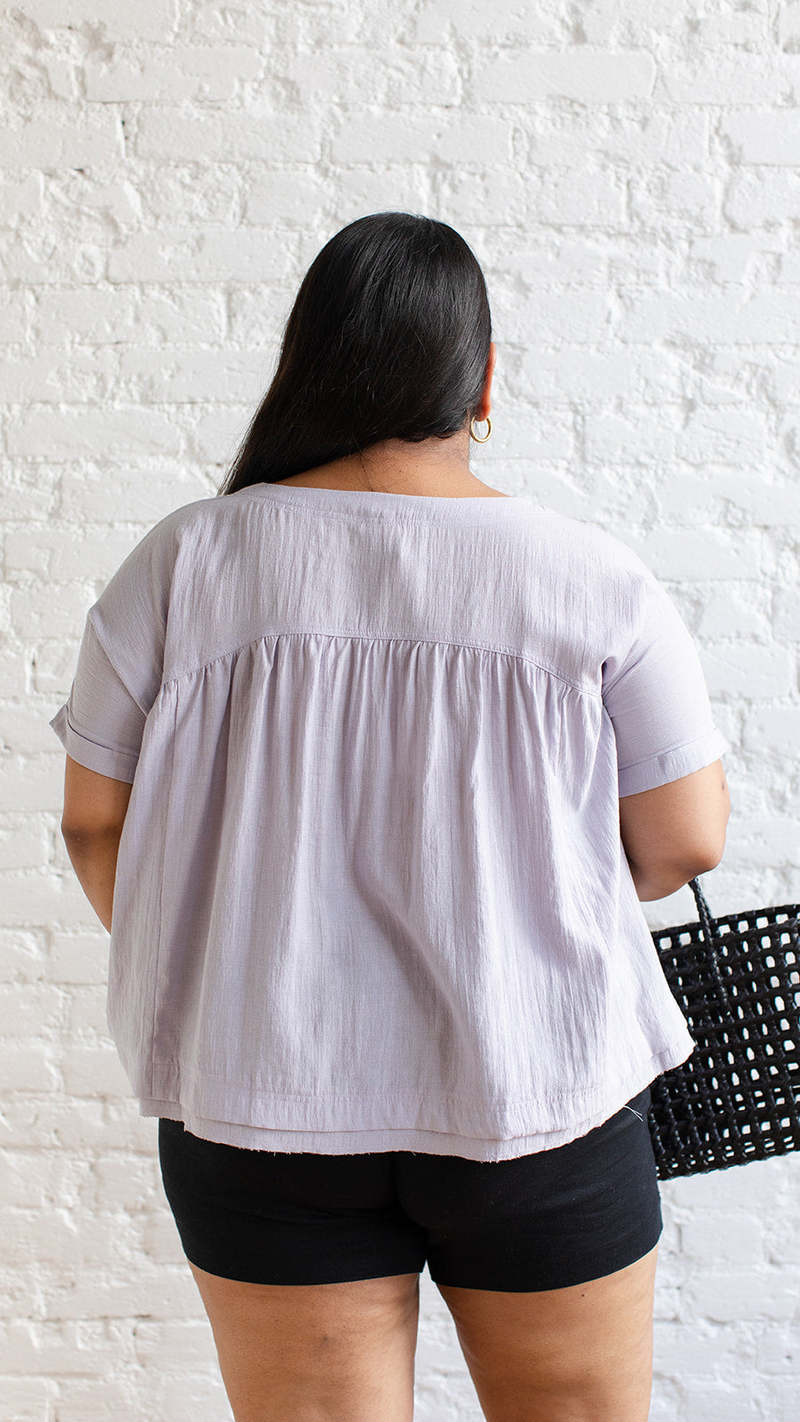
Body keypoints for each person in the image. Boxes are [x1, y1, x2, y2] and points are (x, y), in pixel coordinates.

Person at [50, 211, 731, 1422]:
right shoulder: (587, 576)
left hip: (260, 1094)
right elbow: (684, 841)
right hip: (540, 1088)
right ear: (480, 382)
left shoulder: (183, 562)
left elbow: (94, 824)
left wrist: (222, 944)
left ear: (307, 364)